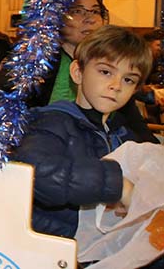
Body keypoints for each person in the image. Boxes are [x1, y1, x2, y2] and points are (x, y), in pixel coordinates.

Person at [13, 25, 153, 249]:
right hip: (56, 246)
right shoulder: (51, 123)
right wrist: (118, 186)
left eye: (128, 80)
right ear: (78, 72)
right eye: (105, 72)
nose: (116, 86)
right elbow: (38, 173)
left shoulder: (123, 135)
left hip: (102, 245)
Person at [0, 0, 159, 144]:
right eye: (77, 11)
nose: (90, 19)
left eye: (96, 11)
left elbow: (136, 129)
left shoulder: (111, 67)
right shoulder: (33, 61)